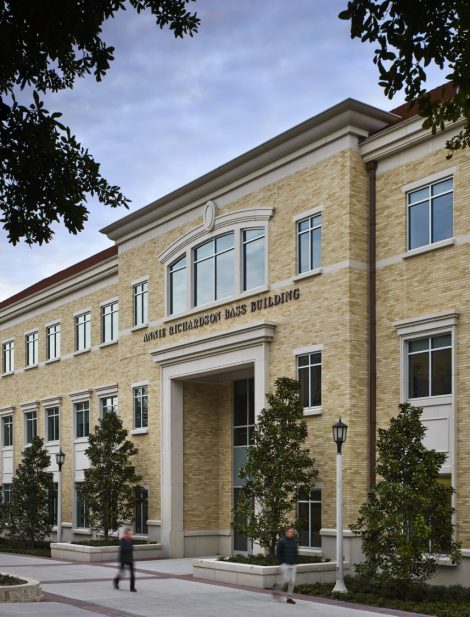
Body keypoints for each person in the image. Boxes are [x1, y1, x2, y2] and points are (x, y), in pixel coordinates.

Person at [275, 527, 298, 604]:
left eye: (292, 532)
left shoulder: (294, 541)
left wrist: (295, 561)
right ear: (286, 532)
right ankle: (277, 588)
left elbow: (296, 552)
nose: (291, 533)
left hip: (293, 564)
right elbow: (278, 552)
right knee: (286, 580)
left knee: (292, 581)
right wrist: (281, 562)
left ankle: (289, 598)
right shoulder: (281, 541)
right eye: (290, 531)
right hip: (285, 563)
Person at [113, 527, 136, 592]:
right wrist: (129, 548)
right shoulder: (122, 540)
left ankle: (132, 588)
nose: (130, 535)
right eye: (129, 534)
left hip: (130, 559)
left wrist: (129, 548)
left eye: (131, 534)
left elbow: (131, 548)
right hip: (123, 559)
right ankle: (116, 581)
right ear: (126, 534)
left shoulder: (130, 540)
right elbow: (123, 549)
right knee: (122, 573)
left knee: (132, 574)